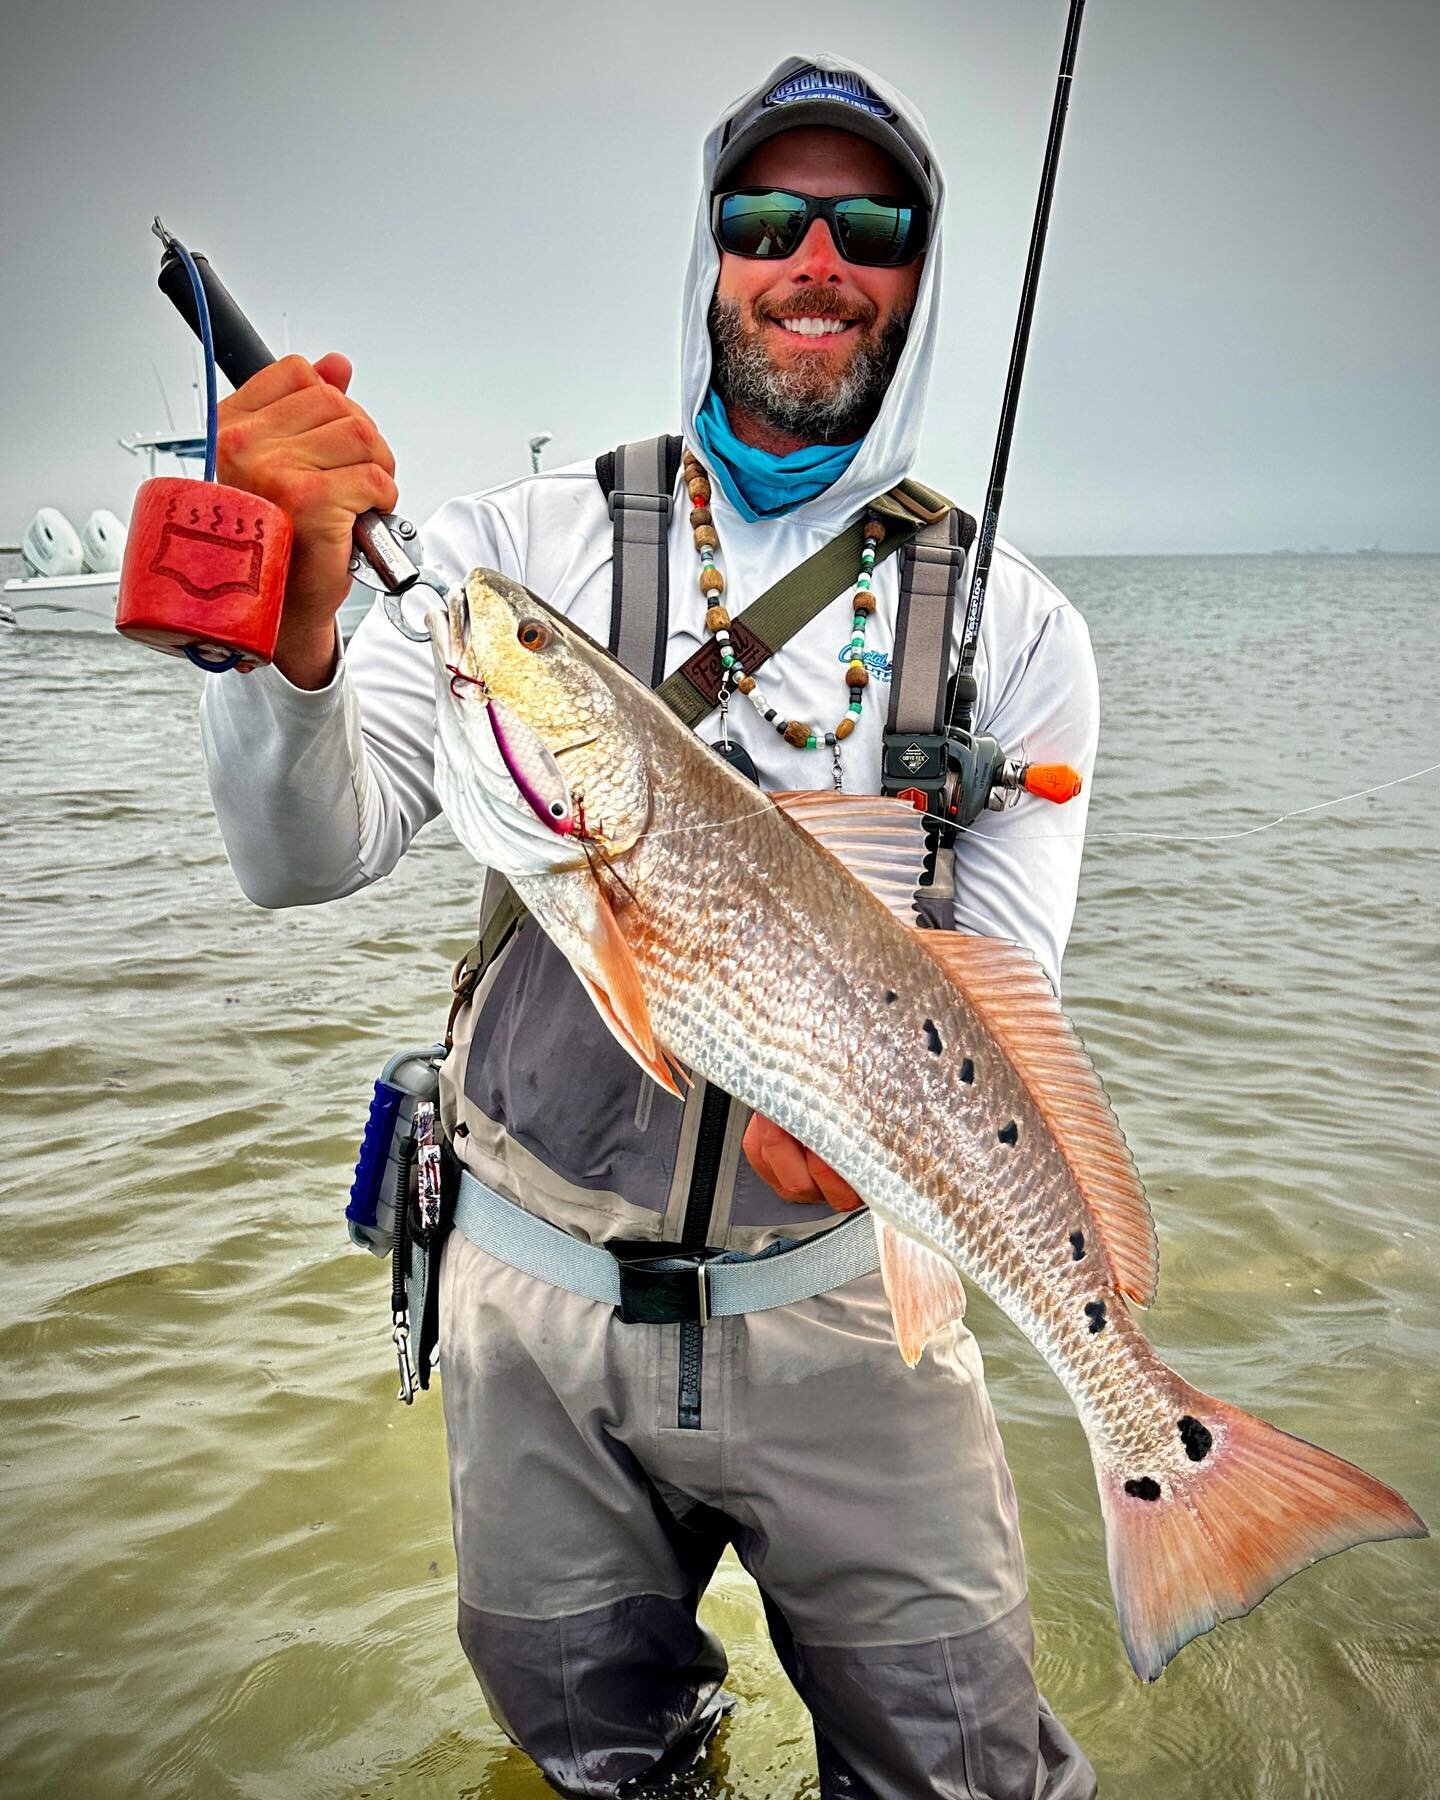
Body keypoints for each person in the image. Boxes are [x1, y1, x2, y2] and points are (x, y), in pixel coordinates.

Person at [202, 53, 1100, 1800]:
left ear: (918, 273)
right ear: (711, 251)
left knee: (969, 1776)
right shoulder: (510, 554)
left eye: (870, 226)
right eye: (768, 217)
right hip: (532, 1303)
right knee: (607, 1767)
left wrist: (852, 1129)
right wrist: (293, 642)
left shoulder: (1022, 627)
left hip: (855, 1317)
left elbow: (1011, 997)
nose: (813, 260)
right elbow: (296, 856)